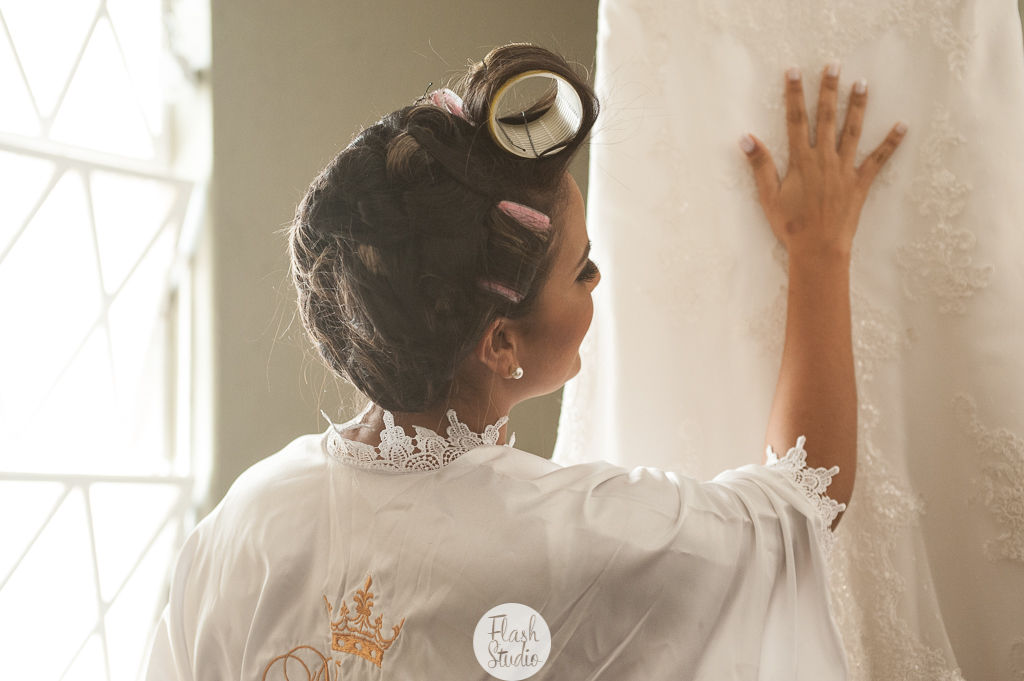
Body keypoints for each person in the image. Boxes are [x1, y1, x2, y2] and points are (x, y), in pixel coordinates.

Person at [145, 44, 904, 680]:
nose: (598, 280)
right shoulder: (569, 534)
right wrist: (820, 250)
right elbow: (803, 499)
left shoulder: (246, 515)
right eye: (583, 267)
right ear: (500, 343)